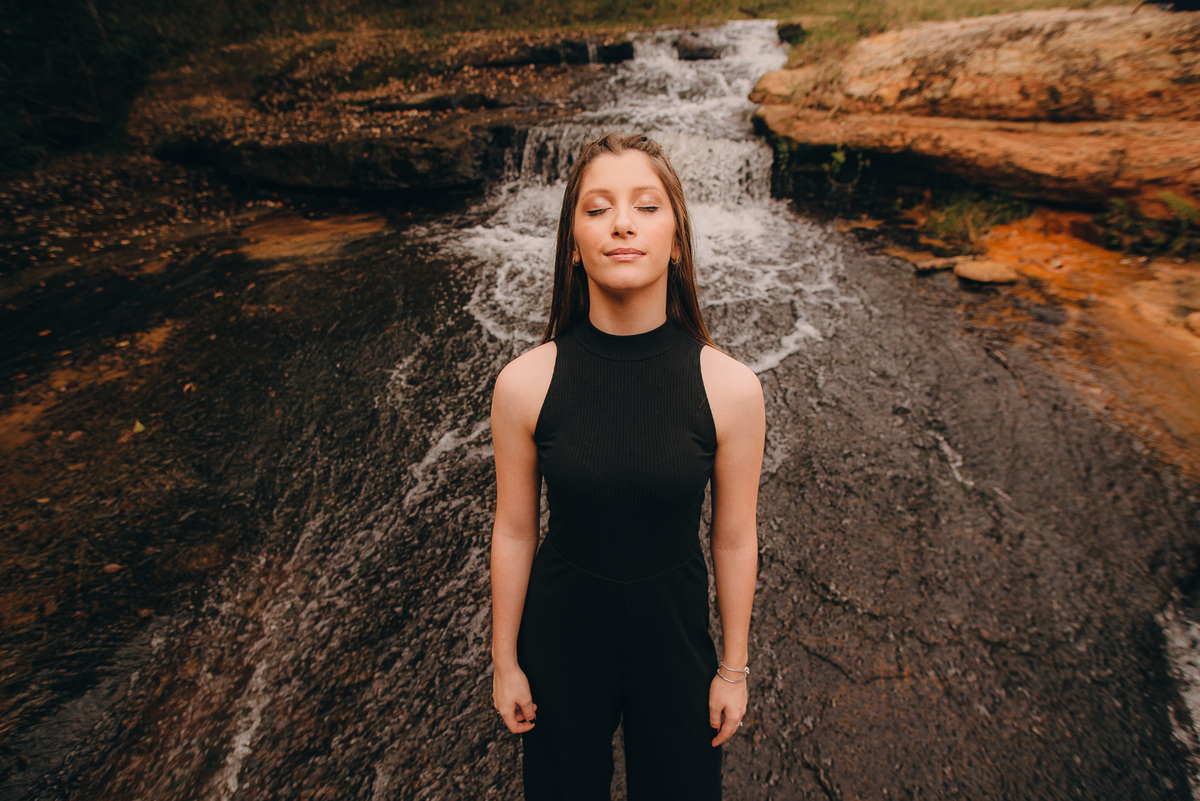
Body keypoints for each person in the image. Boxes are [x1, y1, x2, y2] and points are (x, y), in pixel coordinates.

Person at [489, 132, 765, 800]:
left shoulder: (729, 387)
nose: (621, 223)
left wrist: (733, 667)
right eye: (597, 208)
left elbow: (733, 536)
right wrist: (505, 662)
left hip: (673, 642)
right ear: (573, 245)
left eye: (645, 206)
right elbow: (515, 529)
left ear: (676, 241)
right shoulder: (526, 382)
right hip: (561, 642)